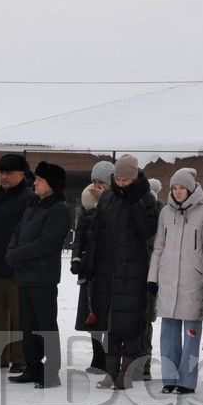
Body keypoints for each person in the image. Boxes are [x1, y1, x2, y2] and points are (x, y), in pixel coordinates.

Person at [84, 154, 159, 390]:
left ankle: (127, 373)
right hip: (108, 271)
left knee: (132, 324)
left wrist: (134, 201)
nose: (122, 183)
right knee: (111, 323)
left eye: (126, 179)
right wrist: (89, 263)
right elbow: (97, 233)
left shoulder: (146, 200)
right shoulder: (107, 197)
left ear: (135, 178)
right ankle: (110, 372)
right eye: (118, 178)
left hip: (134, 272)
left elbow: (147, 232)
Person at [149, 167, 203, 395]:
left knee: (191, 335)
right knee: (168, 333)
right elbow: (158, 247)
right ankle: (169, 379)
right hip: (168, 280)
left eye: (182, 188)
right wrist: (152, 278)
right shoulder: (165, 213)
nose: (177, 192)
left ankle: (187, 381)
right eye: (174, 188)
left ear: (191, 188)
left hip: (192, 281)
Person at [5, 161, 71, 387]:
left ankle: (51, 372)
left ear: (52, 184)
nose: (35, 183)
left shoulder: (59, 209)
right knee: (28, 325)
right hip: (24, 275)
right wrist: (12, 251)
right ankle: (33, 367)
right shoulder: (34, 204)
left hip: (43, 277)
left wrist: (17, 255)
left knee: (45, 325)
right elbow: (18, 232)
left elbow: (47, 243)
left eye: (40, 180)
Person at [0, 153, 34, 371]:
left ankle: (19, 358)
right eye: (1, 172)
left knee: (18, 317)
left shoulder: (30, 199)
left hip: (17, 269)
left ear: (21, 174)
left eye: (9, 173)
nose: (4, 177)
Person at [71, 160, 114, 373]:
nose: (97, 187)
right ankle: (97, 356)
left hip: (107, 270)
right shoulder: (86, 206)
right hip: (89, 269)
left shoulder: (114, 206)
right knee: (91, 315)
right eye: (94, 182)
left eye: (102, 183)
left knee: (106, 317)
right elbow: (79, 236)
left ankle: (107, 358)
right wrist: (76, 259)